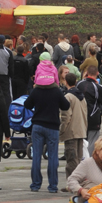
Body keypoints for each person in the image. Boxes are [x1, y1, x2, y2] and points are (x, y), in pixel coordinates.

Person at [24, 53, 69, 194]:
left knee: (36, 156)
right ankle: (52, 185)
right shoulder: (56, 91)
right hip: (52, 126)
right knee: (53, 157)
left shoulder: (36, 91)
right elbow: (66, 106)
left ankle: (35, 184)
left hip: (37, 125)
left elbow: (27, 104)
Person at [60, 73, 88, 181]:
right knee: (79, 159)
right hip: (81, 130)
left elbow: (66, 116)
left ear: (65, 82)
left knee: (71, 160)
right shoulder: (82, 97)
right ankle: (79, 181)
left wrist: (62, 129)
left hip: (71, 132)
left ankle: (72, 183)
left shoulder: (68, 97)